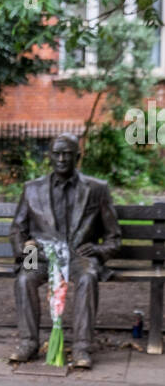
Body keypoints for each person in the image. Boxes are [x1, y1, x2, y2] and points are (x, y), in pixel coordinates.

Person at [9, 133, 121, 368]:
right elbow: (18, 229)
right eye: (56, 153)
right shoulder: (32, 189)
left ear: (77, 157)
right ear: (49, 156)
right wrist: (24, 250)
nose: (61, 159)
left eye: (67, 154)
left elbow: (114, 237)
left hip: (78, 254)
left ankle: (81, 348)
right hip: (38, 254)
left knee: (88, 278)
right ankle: (28, 343)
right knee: (24, 279)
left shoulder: (97, 189)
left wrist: (100, 250)